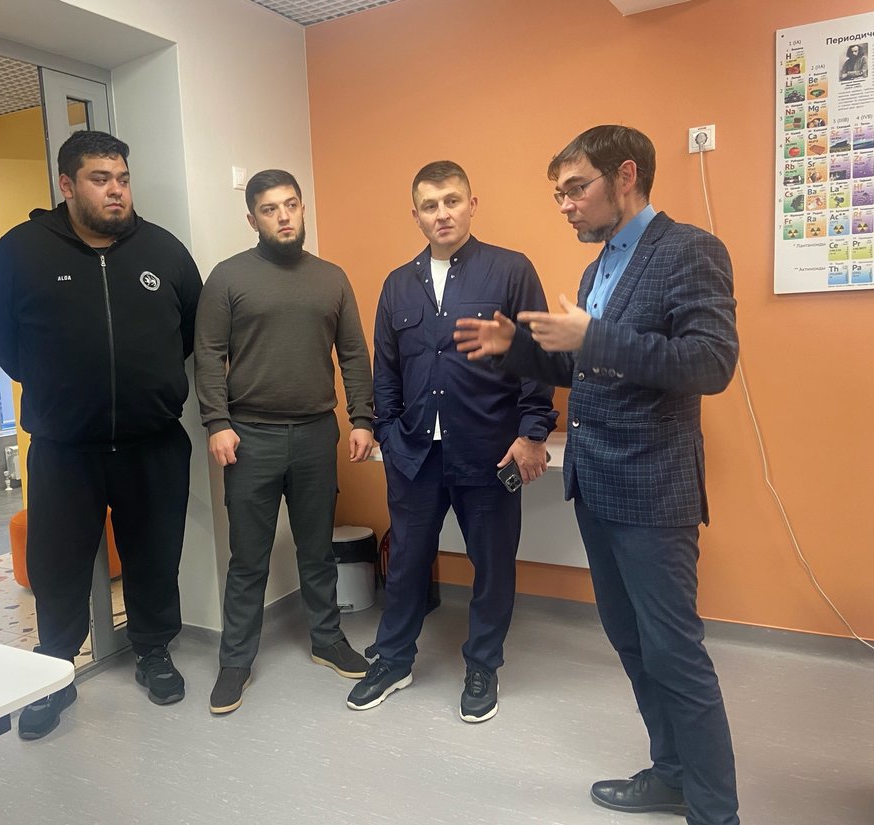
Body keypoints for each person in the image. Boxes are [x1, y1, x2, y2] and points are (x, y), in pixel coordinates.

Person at [454, 125, 739, 824]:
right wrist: (517, 347)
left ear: (626, 176)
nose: (565, 205)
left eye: (576, 189)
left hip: (654, 491)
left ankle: (715, 812)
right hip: (596, 485)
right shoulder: (597, 269)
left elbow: (711, 362)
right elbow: (583, 365)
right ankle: (672, 774)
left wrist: (594, 336)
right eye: (559, 194)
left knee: (675, 654)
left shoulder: (689, 250)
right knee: (633, 644)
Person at [0, 130, 203, 739]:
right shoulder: (22, 251)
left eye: (122, 178)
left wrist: (147, 381)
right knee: (57, 566)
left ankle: (154, 652)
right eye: (101, 179)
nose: (116, 190)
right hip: (64, 447)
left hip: (152, 442)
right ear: (68, 185)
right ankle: (53, 675)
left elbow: (191, 329)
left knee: (155, 556)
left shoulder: (163, 250)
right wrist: (48, 378)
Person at [346, 161, 557, 723]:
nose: (442, 213)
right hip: (415, 454)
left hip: (489, 451)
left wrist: (532, 433)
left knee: (493, 564)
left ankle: (483, 664)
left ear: (472, 204)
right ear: (415, 215)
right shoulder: (398, 284)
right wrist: (387, 434)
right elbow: (386, 371)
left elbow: (537, 357)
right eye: (430, 205)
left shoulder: (510, 271)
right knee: (406, 563)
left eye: (452, 201)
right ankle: (393, 660)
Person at [194, 169, 374, 715]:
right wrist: (216, 422)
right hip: (249, 437)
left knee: (316, 549)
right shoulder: (228, 278)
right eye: (270, 209)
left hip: (317, 433)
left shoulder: (331, 278)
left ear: (302, 208)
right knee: (248, 558)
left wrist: (362, 418)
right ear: (252, 219)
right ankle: (235, 661)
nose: (284, 216)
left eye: (291, 205)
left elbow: (353, 353)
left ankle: (327, 640)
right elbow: (208, 354)